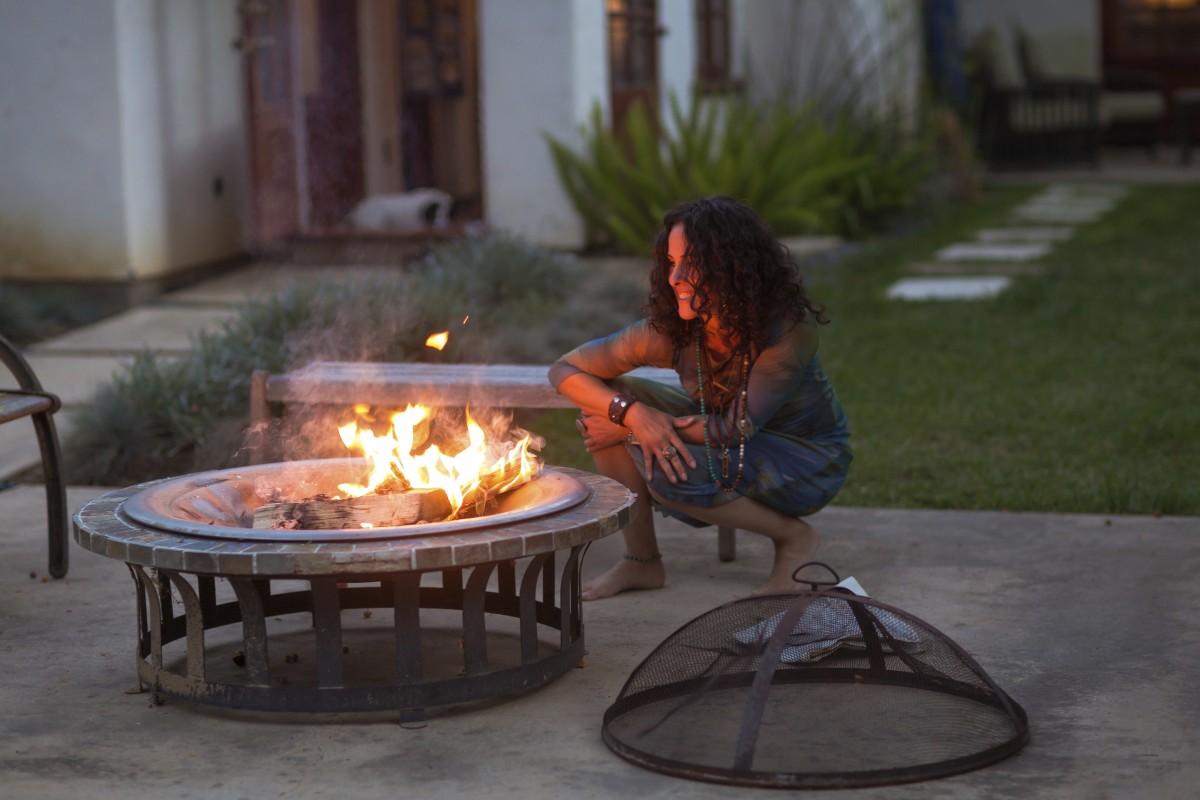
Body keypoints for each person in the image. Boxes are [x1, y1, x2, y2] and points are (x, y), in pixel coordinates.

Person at [548, 196, 851, 600]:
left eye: (690, 262)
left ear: (733, 265)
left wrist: (638, 428)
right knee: (608, 403)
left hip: (806, 459)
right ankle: (643, 562)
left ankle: (794, 537)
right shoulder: (673, 331)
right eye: (671, 263)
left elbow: (733, 430)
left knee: (665, 467)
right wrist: (632, 413)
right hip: (720, 432)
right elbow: (564, 370)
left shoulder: (785, 332)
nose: (675, 277)